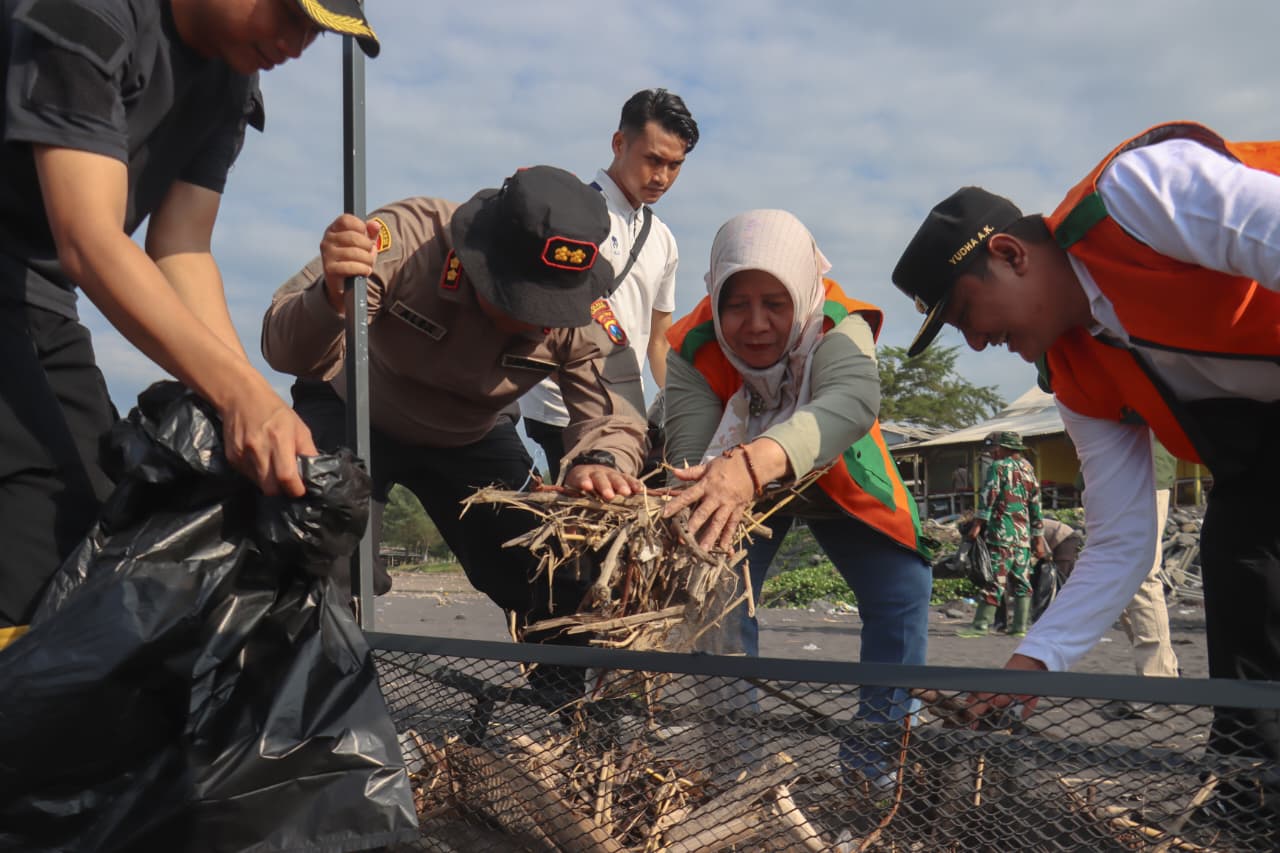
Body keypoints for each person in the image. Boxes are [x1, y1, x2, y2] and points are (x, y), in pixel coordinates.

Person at [891, 120, 1280, 828]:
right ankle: (1250, 806)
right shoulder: (1070, 374)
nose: (977, 342)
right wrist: (1026, 670)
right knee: (1238, 559)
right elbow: (1124, 539)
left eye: (967, 314)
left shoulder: (1137, 199)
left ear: (1009, 254)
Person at [0, 0, 381, 649]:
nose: (298, 42)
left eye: (317, 30)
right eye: (291, 12)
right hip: (34, 279)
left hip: (34, 298)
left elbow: (181, 248)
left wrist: (249, 404)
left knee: (94, 510)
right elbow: (88, 237)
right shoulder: (90, 11)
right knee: (38, 532)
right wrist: (240, 397)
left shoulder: (231, 79)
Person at [260, 165, 648, 639]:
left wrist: (601, 460)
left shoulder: (587, 312)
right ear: (478, 260)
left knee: (553, 565)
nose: (536, 323)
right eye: (522, 303)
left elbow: (616, 408)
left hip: (472, 431)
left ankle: (572, 700)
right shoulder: (406, 239)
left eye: (551, 310)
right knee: (317, 543)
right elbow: (283, 349)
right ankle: (320, 690)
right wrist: (330, 299)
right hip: (354, 406)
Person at [662, 209, 934, 788]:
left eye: (775, 303)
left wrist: (758, 462)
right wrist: (724, 483)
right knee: (713, 592)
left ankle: (876, 761)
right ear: (714, 297)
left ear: (801, 293)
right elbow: (689, 456)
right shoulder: (692, 347)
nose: (755, 324)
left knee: (903, 589)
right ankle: (737, 771)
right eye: (737, 304)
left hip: (832, 470)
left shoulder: (838, 324)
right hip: (732, 480)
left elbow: (854, 402)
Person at [520, 88, 698, 481]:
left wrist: (676, 406)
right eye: (653, 159)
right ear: (619, 143)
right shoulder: (571, 215)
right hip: (558, 409)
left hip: (623, 416)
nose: (662, 177)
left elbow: (659, 339)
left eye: (675, 165)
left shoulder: (663, 239)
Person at [958, 431, 1046, 638]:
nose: (993, 454)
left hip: (1001, 533)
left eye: (994, 450)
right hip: (1023, 536)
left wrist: (977, 525)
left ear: (1002, 448)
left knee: (995, 579)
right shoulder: (1028, 469)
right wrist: (1038, 538)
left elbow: (989, 496)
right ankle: (1019, 627)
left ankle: (980, 626)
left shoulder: (998, 467)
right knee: (1022, 581)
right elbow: (1036, 505)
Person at [1119, 436, 1181, 679]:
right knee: (1117, 580)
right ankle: (1161, 666)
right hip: (1110, 474)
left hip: (1141, 472)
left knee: (1141, 577)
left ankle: (1158, 677)